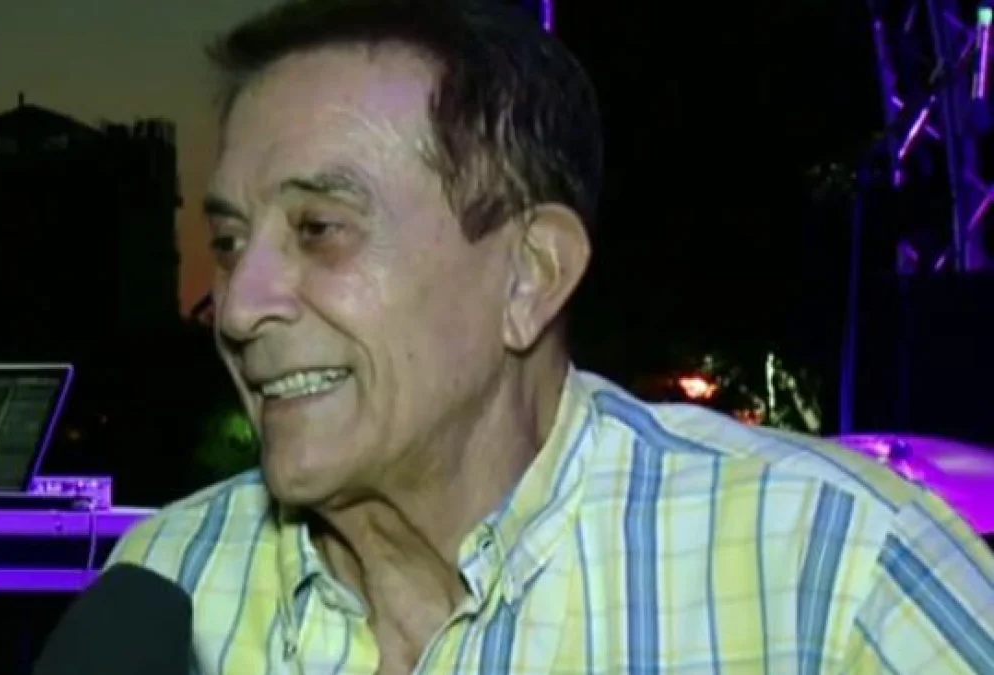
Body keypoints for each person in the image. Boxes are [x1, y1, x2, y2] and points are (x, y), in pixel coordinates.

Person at [107, 0, 994, 672]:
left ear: (530, 275)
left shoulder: (838, 573)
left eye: (319, 229)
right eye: (230, 242)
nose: (237, 306)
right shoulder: (166, 583)